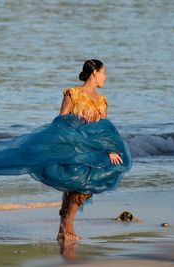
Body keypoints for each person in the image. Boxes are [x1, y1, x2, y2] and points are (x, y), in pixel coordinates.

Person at [57, 59, 123, 241]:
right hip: (74, 146)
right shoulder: (73, 94)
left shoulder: (102, 101)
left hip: (94, 149)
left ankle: (64, 226)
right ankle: (66, 226)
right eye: (103, 73)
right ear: (95, 73)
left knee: (87, 185)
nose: (105, 77)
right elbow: (61, 121)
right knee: (77, 186)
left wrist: (110, 150)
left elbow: (104, 130)